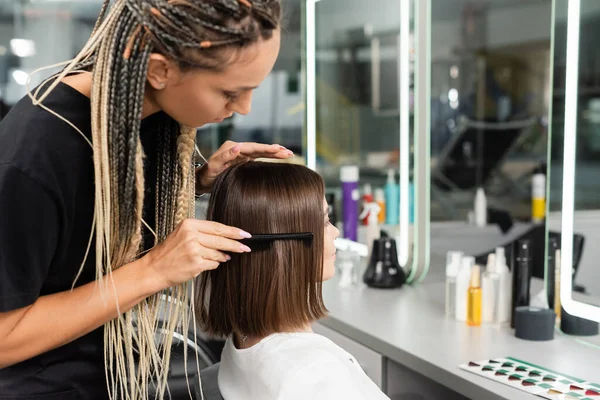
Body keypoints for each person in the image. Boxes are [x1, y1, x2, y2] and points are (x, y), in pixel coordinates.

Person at [0, 1, 287, 399]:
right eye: (230, 91)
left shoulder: (147, 114)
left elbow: (98, 216)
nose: (244, 108)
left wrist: (199, 182)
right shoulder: (33, 157)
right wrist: (154, 270)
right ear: (159, 70)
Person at [195, 162, 390, 400]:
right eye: (326, 222)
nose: (336, 232)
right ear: (286, 247)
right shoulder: (315, 375)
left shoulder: (241, 344)